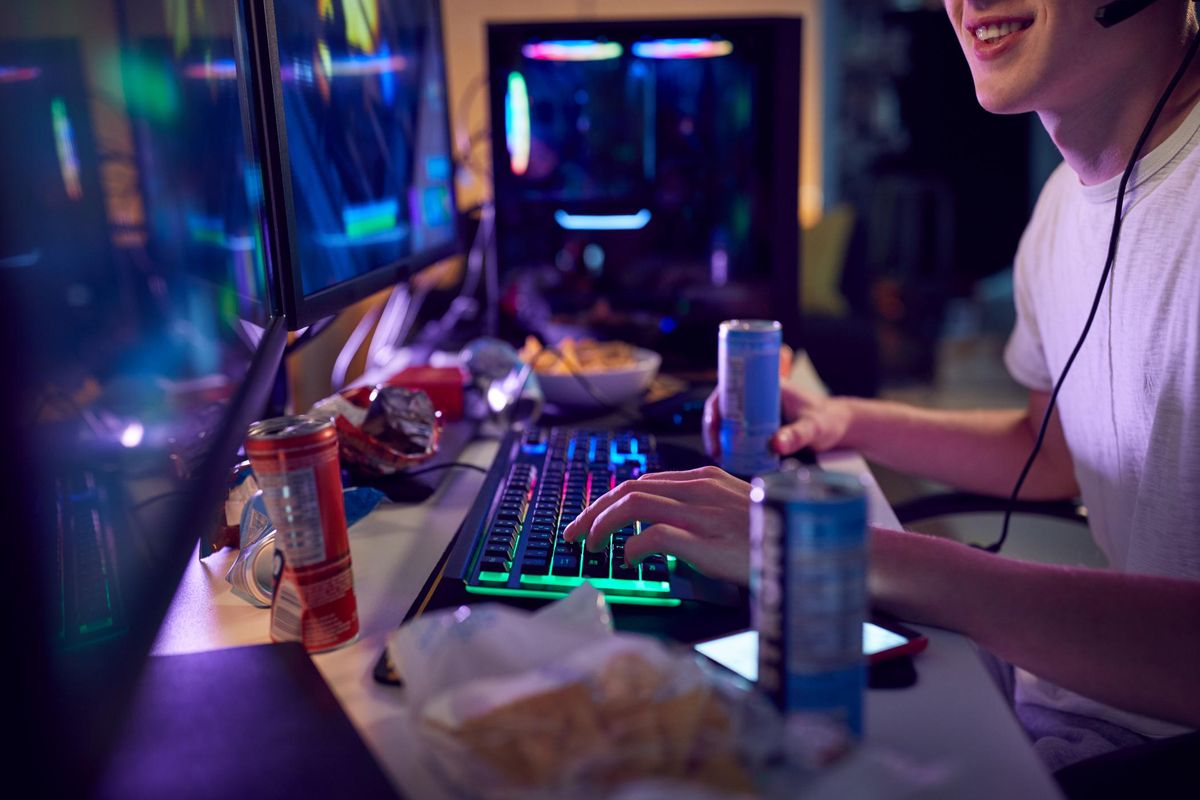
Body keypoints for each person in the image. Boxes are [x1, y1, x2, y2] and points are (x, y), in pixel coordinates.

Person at [564, 0, 1200, 772]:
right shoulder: (1062, 205)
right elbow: (1051, 447)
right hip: (1067, 700)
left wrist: (844, 554)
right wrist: (843, 420)